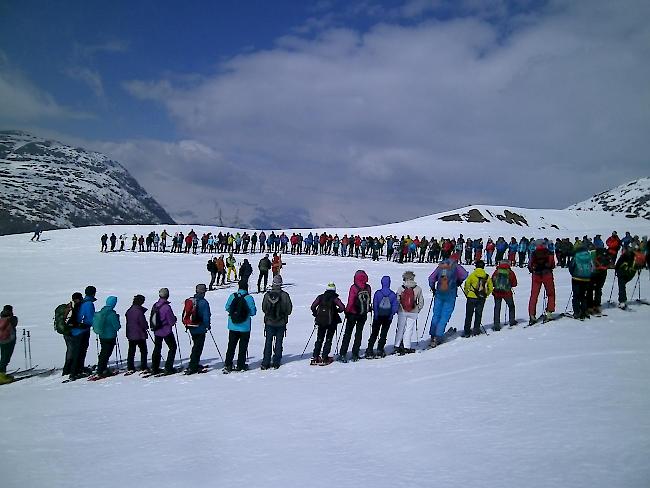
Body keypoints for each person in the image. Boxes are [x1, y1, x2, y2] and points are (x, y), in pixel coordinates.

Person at [428, 254, 468, 347]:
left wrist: (433, 288)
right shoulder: (456, 266)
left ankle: (433, 334)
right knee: (445, 315)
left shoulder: (440, 266)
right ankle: (438, 336)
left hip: (439, 293)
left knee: (436, 314)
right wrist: (459, 281)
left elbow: (431, 278)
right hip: (450, 293)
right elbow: (465, 274)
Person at [223, 281, 257, 372]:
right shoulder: (249, 298)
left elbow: (227, 307)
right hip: (245, 327)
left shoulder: (233, 296)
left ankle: (228, 364)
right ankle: (241, 365)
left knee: (231, 346)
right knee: (243, 346)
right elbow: (253, 312)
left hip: (233, 325)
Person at [339, 270, 372, 362]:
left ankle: (343, 353)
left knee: (347, 334)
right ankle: (355, 353)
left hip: (352, 314)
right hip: (363, 313)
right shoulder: (368, 287)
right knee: (359, 333)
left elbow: (351, 301)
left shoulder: (354, 287)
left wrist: (347, 311)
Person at [261, 275, 293, 369]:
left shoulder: (267, 295)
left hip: (269, 322)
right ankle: (276, 362)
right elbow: (289, 310)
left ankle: (265, 362)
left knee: (268, 342)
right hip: (281, 323)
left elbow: (264, 308)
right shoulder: (285, 295)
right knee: (279, 342)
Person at [310, 283, 345, 365]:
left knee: (319, 339)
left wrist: (316, 314)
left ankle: (315, 356)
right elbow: (342, 307)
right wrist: (337, 311)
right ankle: (325, 357)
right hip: (331, 322)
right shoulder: (335, 298)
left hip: (320, 321)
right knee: (328, 339)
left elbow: (313, 306)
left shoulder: (320, 297)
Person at [365, 276, 399, 358]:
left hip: (378, 317)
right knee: (384, 333)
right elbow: (395, 307)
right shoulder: (392, 294)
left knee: (374, 333)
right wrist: (391, 314)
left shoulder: (378, 293)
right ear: (389, 283)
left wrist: (376, 315)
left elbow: (375, 305)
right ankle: (380, 349)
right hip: (387, 317)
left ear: (382, 283)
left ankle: (370, 349)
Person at [393, 271, 425, 354]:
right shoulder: (418, 288)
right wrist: (418, 309)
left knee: (400, 328)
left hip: (402, 311)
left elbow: (397, 299)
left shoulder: (401, 288)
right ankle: (407, 346)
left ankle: (397, 345)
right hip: (413, 312)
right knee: (409, 329)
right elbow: (421, 302)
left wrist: (398, 308)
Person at [69, 285, 97, 380]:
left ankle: (77, 369)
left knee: (78, 351)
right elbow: (90, 318)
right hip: (82, 330)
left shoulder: (82, 302)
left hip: (76, 330)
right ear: (93, 293)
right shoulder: (88, 304)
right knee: (80, 351)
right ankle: (75, 372)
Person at [92, 296, 121, 377]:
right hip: (110, 336)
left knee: (103, 352)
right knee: (107, 353)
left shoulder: (102, 311)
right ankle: (101, 369)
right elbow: (117, 326)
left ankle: (101, 367)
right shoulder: (111, 314)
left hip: (102, 335)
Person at [151, 288, 178, 375]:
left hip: (157, 330)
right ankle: (168, 367)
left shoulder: (155, 305)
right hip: (166, 331)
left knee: (157, 348)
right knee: (172, 347)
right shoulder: (166, 307)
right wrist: (174, 319)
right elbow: (171, 321)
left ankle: (154, 367)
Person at [527, 241, 556, 324]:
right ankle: (549, 313)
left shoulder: (534, 253)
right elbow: (552, 264)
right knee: (550, 294)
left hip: (536, 275)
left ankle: (532, 315)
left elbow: (530, 265)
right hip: (547, 275)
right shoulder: (549, 252)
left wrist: (533, 269)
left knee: (534, 295)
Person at [463, 260, 494, 336]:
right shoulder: (487, 276)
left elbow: (467, 285)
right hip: (481, 297)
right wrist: (485, 295)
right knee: (478, 314)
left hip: (471, 296)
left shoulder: (472, 275)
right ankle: (476, 330)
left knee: (469, 315)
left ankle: (467, 331)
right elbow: (490, 288)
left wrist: (467, 293)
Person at [186, 284, 211, 374]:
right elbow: (206, 316)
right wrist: (208, 325)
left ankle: (194, 363)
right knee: (198, 347)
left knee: (195, 346)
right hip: (200, 328)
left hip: (191, 327)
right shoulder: (203, 302)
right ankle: (193, 366)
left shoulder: (191, 300)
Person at [568, 245, 594, 320]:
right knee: (583, 296)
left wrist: (573, 274)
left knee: (576, 296)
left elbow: (571, 266)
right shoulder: (589, 256)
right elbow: (592, 268)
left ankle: (576, 312)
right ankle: (584, 311)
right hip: (586, 279)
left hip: (576, 278)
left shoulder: (576, 256)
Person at [61, 292, 83, 376]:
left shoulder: (68, 306)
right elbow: (74, 320)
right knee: (72, 350)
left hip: (66, 331)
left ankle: (67, 369)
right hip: (71, 331)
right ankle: (69, 369)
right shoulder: (75, 307)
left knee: (70, 350)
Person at [125, 295, 149, 372]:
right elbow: (142, 323)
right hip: (139, 334)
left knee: (131, 351)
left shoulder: (129, 310)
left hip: (131, 333)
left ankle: (130, 366)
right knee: (143, 351)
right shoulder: (139, 311)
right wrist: (146, 326)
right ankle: (143, 366)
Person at [491, 261, 517, 330]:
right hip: (507, 293)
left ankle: (496, 324)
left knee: (497, 308)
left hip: (497, 292)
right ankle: (512, 321)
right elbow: (514, 284)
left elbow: (492, 281)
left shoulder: (496, 271)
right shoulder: (510, 272)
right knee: (511, 306)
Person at [0, 305, 18, 384]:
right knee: (5, 358)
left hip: (1, 340)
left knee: (3, 357)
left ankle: (2, 374)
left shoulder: (1, 319)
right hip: (9, 341)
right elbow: (15, 323)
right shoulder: (12, 319)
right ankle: (1, 376)